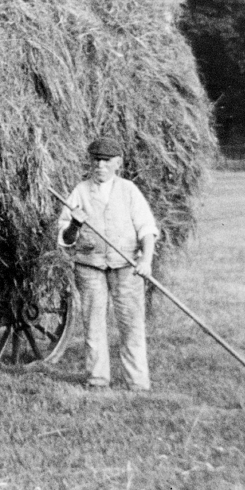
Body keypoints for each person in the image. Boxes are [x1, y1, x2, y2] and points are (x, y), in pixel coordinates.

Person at [57, 136, 159, 391]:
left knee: (131, 323)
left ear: (118, 164)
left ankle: (137, 382)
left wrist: (145, 260)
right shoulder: (80, 191)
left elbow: (147, 228)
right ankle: (98, 379)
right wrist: (75, 224)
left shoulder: (129, 190)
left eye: (106, 161)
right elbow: (65, 239)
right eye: (96, 160)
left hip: (126, 266)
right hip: (89, 266)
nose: (100, 166)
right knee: (93, 323)